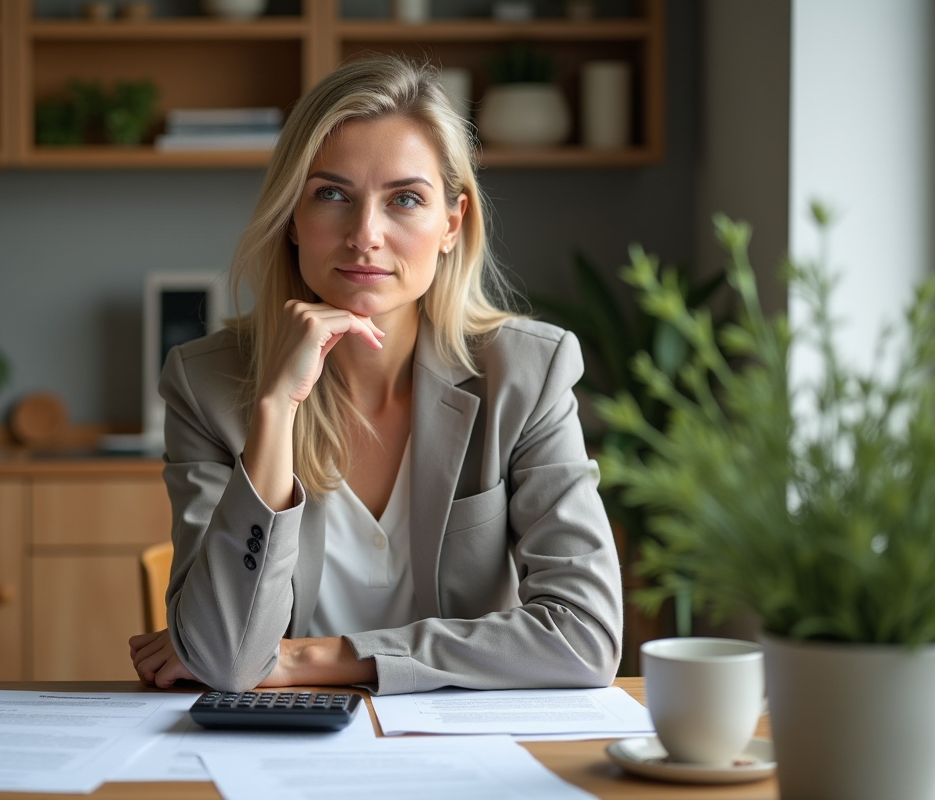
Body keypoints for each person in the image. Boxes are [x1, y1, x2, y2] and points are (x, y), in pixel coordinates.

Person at [128, 55, 622, 696]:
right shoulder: (207, 385)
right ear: (292, 218)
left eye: (405, 200)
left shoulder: (526, 374)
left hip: (463, 751)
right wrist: (277, 409)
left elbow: (584, 637)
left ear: (451, 223)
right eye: (331, 194)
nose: (365, 235)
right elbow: (225, 659)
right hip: (275, 752)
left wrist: (309, 659)